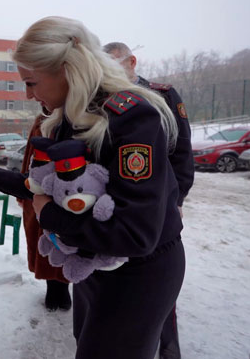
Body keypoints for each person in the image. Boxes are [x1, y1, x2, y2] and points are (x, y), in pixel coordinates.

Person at [0, 16, 185, 359]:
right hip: (92, 260)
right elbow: (53, 189)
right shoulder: (65, 117)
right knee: (86, 346)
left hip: (139, 273)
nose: (28, 94)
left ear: (67, 69)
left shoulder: (132, 117)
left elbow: (134, 234)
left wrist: (51, 216)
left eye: (31, 82)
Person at [104, 41, 194, 359]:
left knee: (159, 273)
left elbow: (181, 150)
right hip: (123, 200)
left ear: (132, 62)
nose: (112, 71)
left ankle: (168, 345)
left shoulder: (163, 95)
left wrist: (178, 198)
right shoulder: (104, 99)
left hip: (161, 199)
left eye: (117, 64)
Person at [20, 113, 73, 311]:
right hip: (36, 190)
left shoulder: (73, 117)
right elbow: (29, 157)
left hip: (65, 190)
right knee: (42, 243)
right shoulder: (40, 119)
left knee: (64, 242)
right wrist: (23, 190)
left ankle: (64, 288)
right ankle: (51, 288)